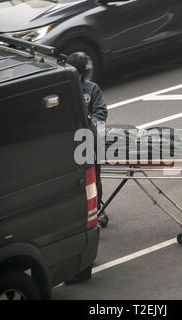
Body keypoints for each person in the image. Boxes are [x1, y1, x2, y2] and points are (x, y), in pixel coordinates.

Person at [67, 53, 108, 226]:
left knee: (93, 178)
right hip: (69, 144)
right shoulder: (64, 91)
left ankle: (97, 209)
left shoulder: (92, 89)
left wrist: (89, 125)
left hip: (89, 143)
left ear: (80, 74)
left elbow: (101, 113)